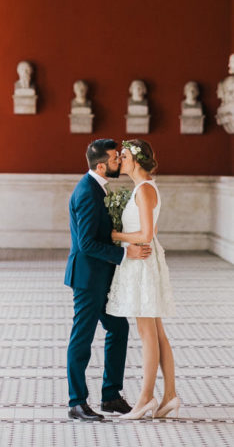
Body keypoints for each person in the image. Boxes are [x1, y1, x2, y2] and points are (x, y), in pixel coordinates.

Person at [65, 139, 152, 422]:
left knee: (118, 328)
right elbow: (87, 243)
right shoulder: (88, 193)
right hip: (88, 278)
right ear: (101, 165)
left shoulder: (97, 188)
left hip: (101, 276)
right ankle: (77, 402)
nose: (120, 161)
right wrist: (126, 252)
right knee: (83, 337)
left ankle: (111, 396)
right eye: (116, 158)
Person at [106, 139, 178, 420]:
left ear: (135, 160)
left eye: (123, 156)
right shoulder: (144, 188)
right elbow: (153, 227)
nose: (120, 160)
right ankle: (170, 395)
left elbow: (147, 234)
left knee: (147, 332)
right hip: (145, 261)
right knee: (157, 332)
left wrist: (117, 236)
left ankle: (146, 398)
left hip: (142, 263)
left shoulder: (145, 189)